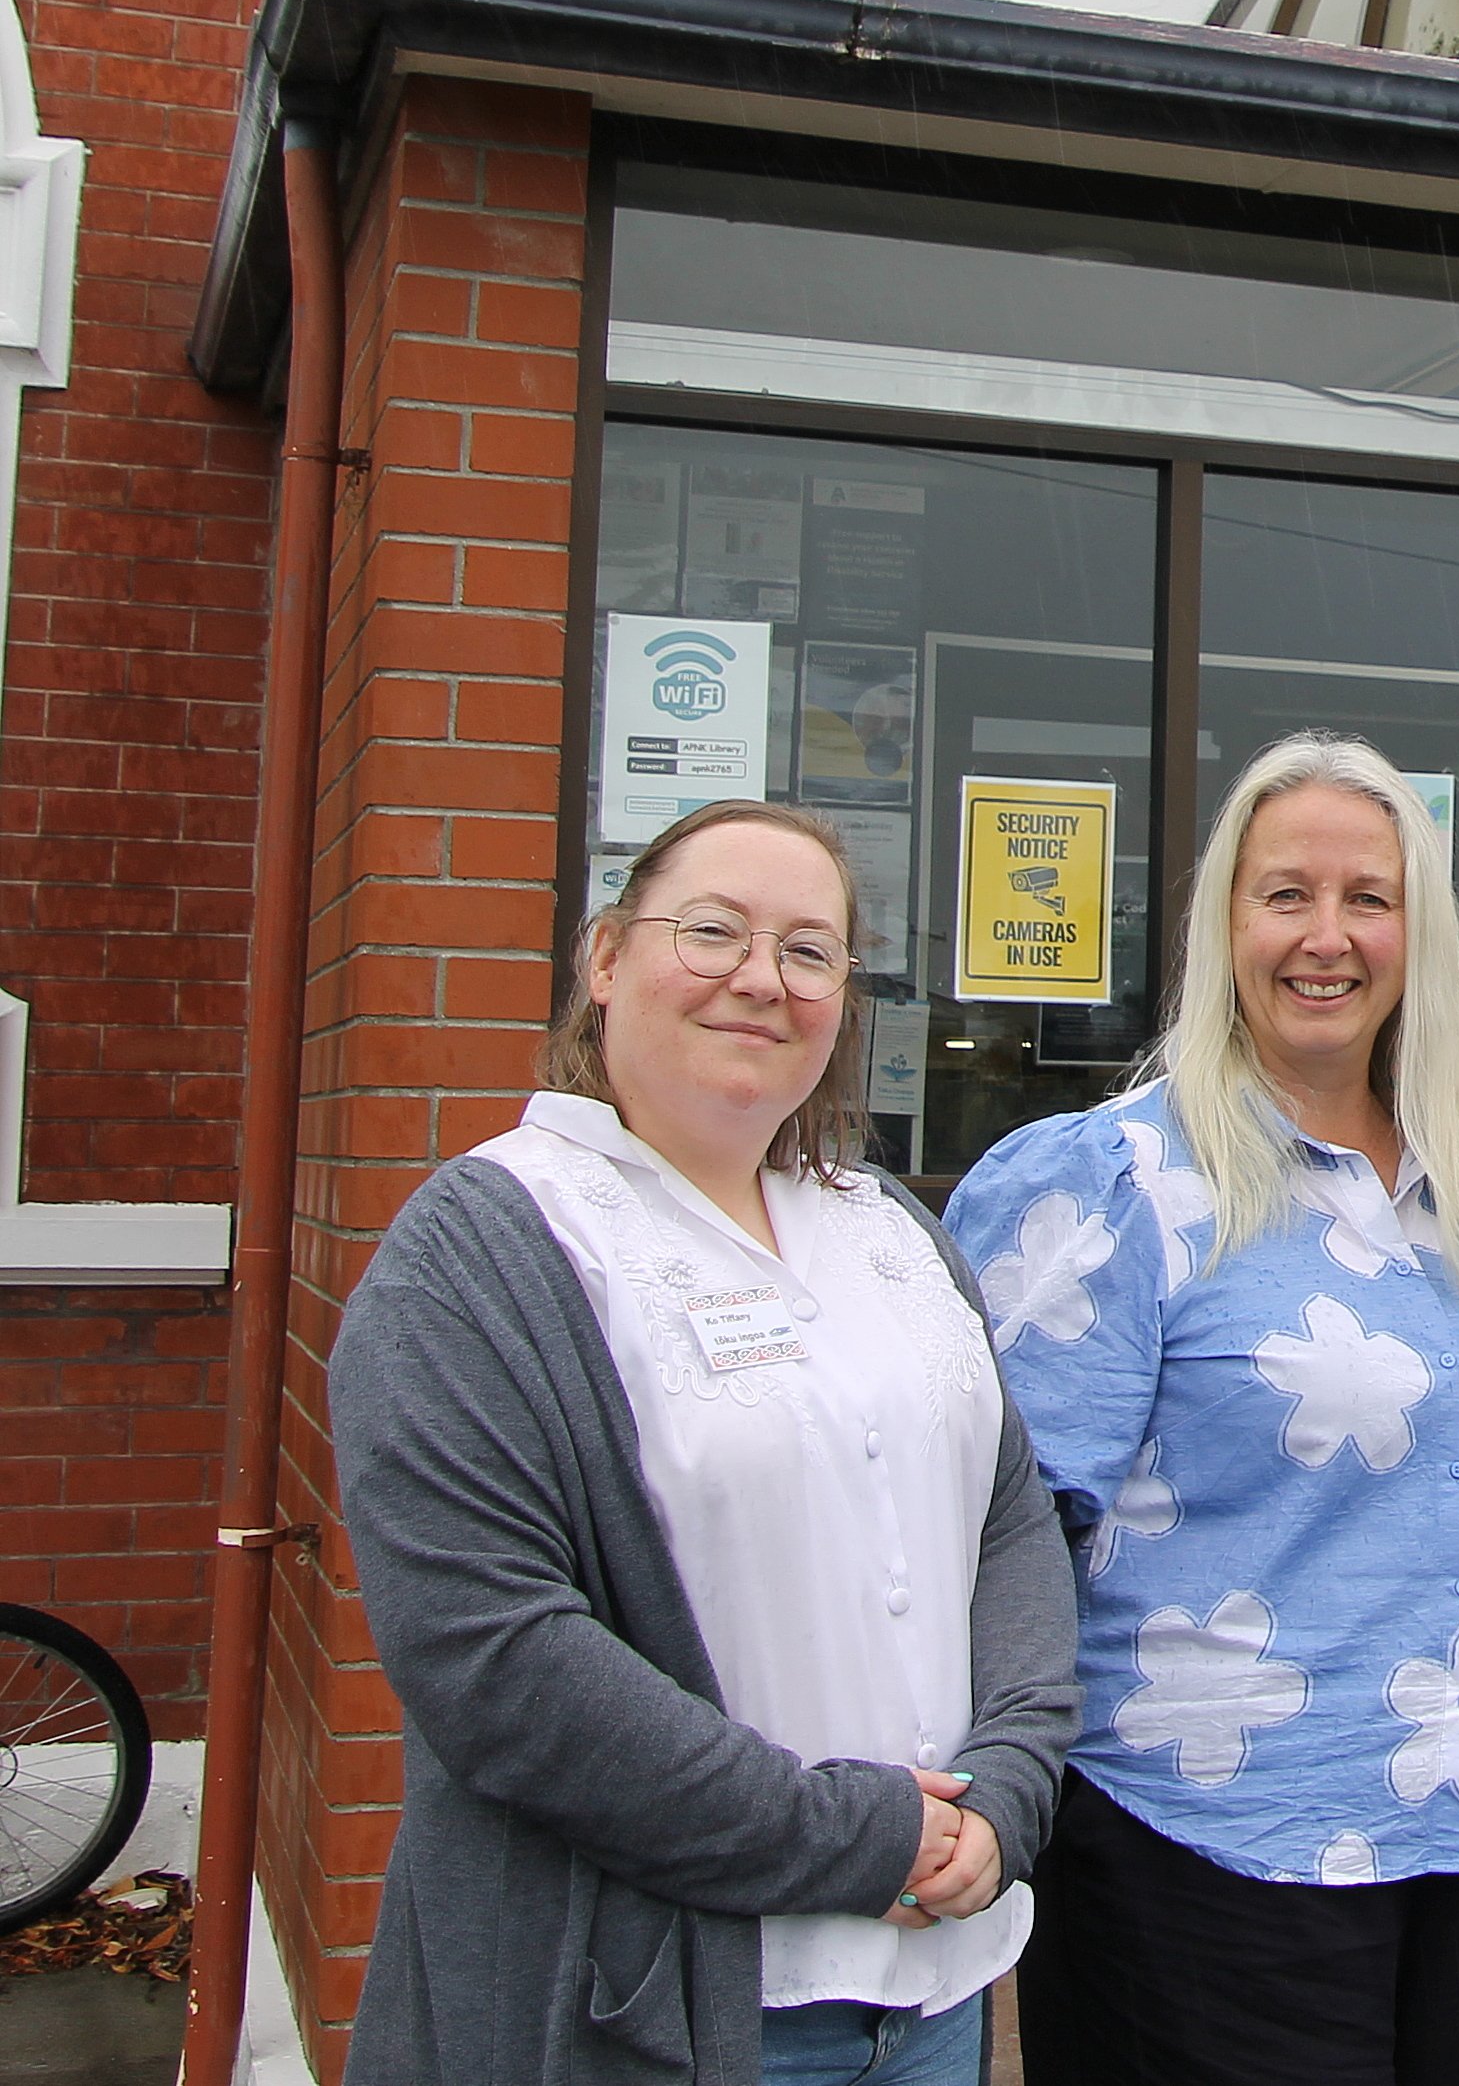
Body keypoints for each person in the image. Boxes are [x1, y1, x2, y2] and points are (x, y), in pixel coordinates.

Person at [330, 800, 1078, 2086]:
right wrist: (854, 1836)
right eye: (714, 930)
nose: (759, 978)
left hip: (935, 1997)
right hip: (652, 2008)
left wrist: (1006, 1787)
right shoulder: (482, 1253)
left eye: (808, 951)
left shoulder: (885, 1226)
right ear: (607, 960)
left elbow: (1005, 1522)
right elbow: (495, 1661)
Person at [945, 731, 1459, 2086]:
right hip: (1205, 1838)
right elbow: (1000, 1537)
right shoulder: (1111, 1186)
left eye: (1369, 897)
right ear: (1221, 923)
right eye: (1284, 893)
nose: (1327, 936)